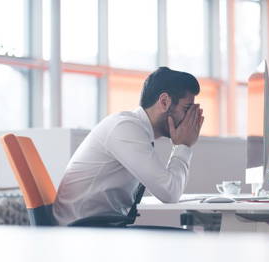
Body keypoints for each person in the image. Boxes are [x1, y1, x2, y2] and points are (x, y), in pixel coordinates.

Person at [53, 67, 204, 226]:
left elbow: (168, 190)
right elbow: (170, 193)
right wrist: (183, 146)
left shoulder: (136, 130)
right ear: (164, 102)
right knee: (183, 239)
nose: (190, 118)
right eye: (187, 109)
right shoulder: (125, 127)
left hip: (99, 226)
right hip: (84, 230)